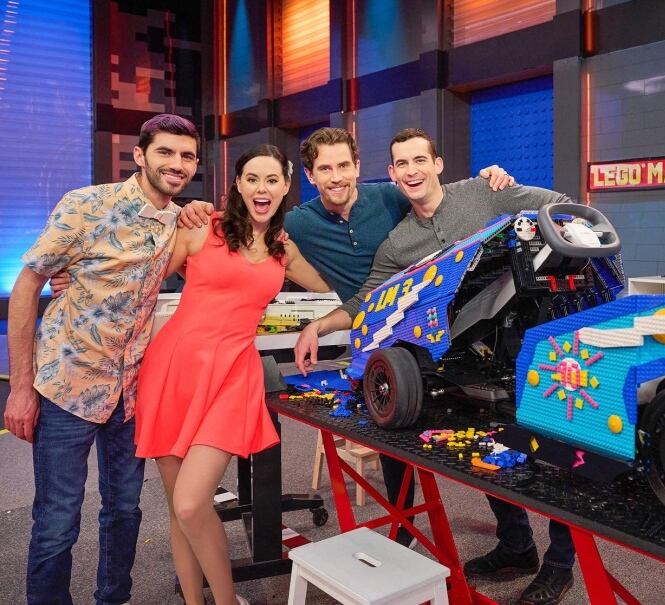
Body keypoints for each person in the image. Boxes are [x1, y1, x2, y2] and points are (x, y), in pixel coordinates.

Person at [179, 126, 514, 548]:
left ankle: (514, 541)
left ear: (358, 167)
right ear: (309, 176)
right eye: (324, 169)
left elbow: (434, 193)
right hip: (375, 344)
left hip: (446, 329)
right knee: (394, 444)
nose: (335, 177)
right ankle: (402, 533)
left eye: (343, 166)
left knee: (478, 435)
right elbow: (245, 227)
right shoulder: (298, 222)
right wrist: (194, 211)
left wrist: (493, 180)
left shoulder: (391, 197)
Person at [293, 128, 577, 605]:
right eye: (402, 164)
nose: (412, 171)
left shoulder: (485, 192)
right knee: (496, 455)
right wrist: (317, 327)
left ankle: (560, 565)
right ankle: (517, 548)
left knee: (557, 462)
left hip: (544, 347)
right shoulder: (399, 243)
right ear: (392, 174)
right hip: (481, 365)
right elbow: (369, 300)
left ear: (438, 163)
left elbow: (560, 206)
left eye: (419, 160)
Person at [4, 114, 209, 605]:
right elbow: (29, 282)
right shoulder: (86, 205)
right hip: (67, 387)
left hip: (130, 394)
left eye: (186, 156)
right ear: (139, 155)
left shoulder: (176, 222)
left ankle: (112, 599)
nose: (175, 164)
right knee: (57, 520)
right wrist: (19, 386)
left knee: (125, 511)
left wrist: (195, 210)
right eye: (164, 152)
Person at [135, 144, 330, 605]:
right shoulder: (205, 228)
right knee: (181, 511)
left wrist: (321, 324)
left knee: (190, 502)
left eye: (272, 180)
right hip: (173, 370)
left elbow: (330, 291)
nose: (262, 188)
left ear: (285, 188)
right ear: (238, 185)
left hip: (232, 376)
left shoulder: (285, 249)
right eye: (252, 179)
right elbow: (139, 281)